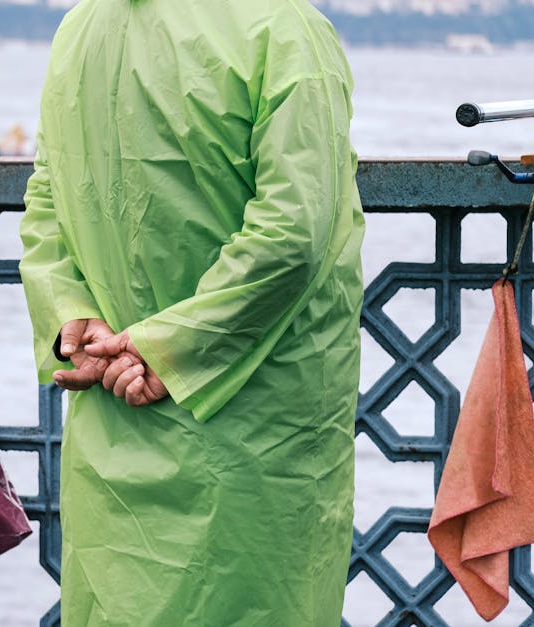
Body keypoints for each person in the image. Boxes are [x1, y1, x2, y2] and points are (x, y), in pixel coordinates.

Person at [19, 0, 364, 624]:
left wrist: (72, 315)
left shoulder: (80, 27)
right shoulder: (283, 29)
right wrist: (164, 348)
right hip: (255, 426)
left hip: (109, 415)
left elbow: (45, 195)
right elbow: (292, 233)